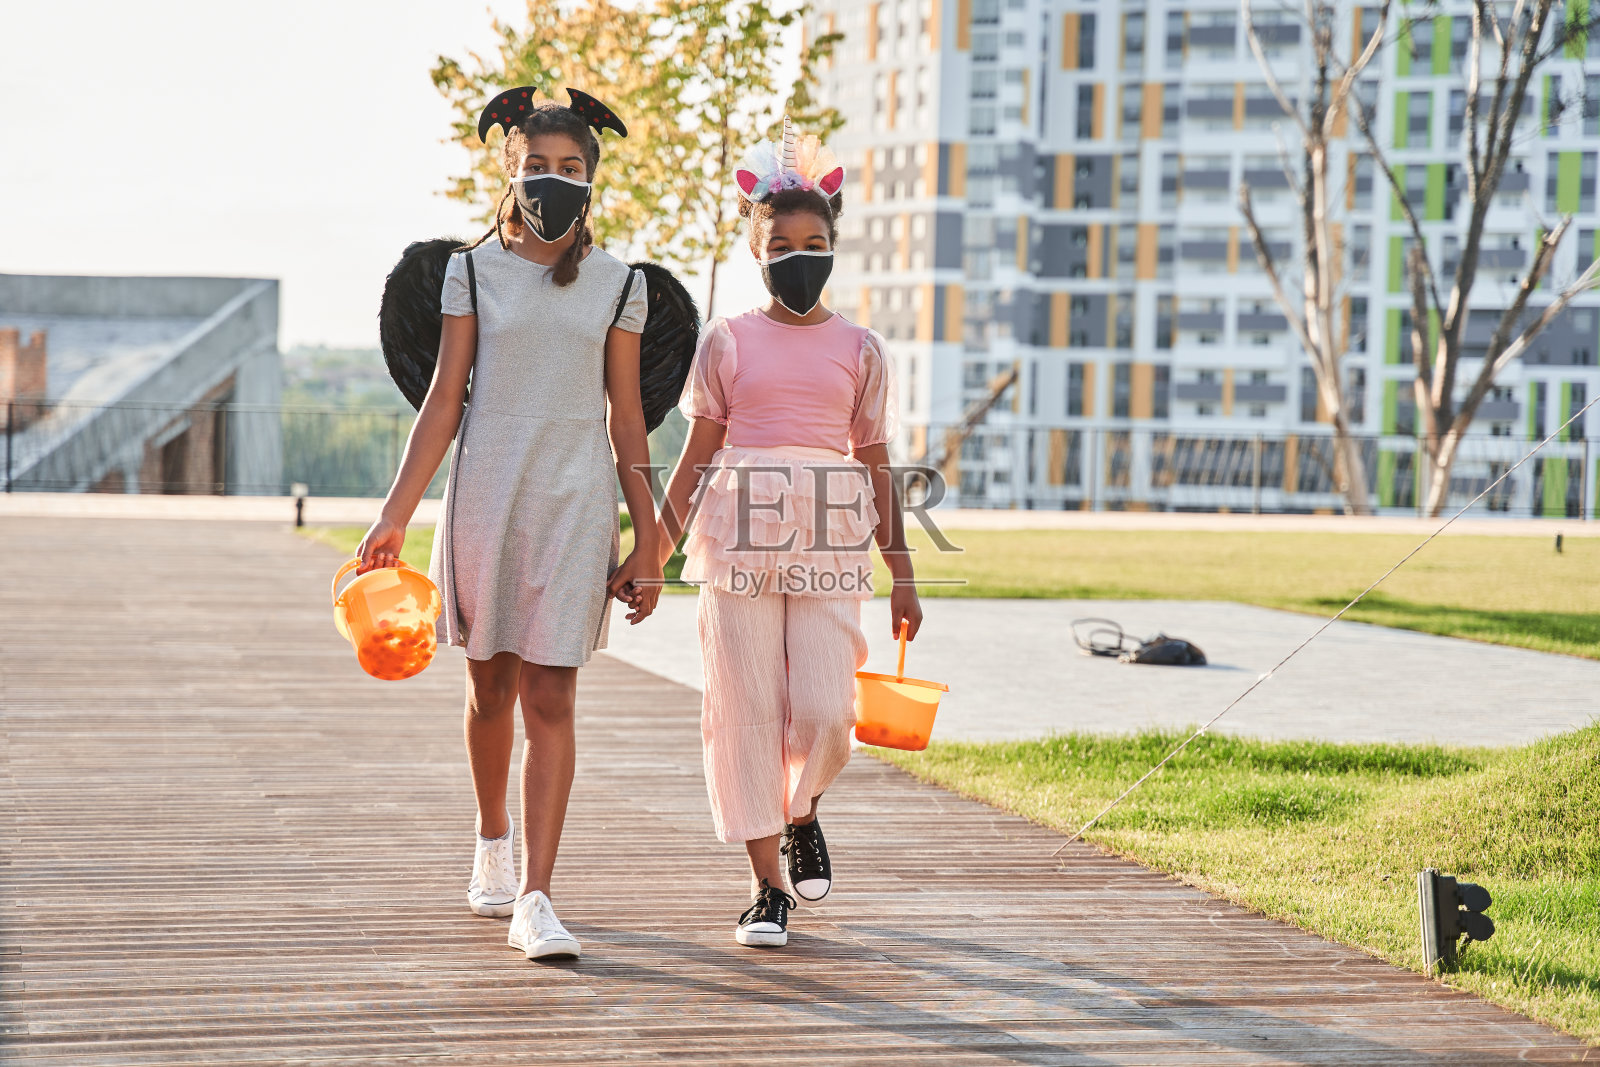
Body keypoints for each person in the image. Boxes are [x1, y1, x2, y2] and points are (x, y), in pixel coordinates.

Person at [357, 93, 660, 960]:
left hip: (575, 502)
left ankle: (537, 892)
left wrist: (650, 539)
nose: (552, 181)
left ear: (593, 178)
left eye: (570, 168)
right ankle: (492, 839)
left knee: (552, 695)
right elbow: (443, 402)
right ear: (509, 168)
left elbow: (630, 424)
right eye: (538, 166)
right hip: (487, 495)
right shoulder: (471, 273)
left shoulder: (620, 285)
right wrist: (394, 513)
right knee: (490, 688)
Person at [655, 122, 923, 948]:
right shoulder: (727, 341)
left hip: (830, 537)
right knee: (743, 710)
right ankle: (766, 887)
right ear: (756, 248)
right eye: (780, 243)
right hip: (736, 536)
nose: (797, 254)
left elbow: (877, 462)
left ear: (834, 246)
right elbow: (695, 457)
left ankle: (802, 806)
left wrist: (904, 572)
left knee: (823, 709)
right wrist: (648, 554)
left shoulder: (861, 348)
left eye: (813, 242)